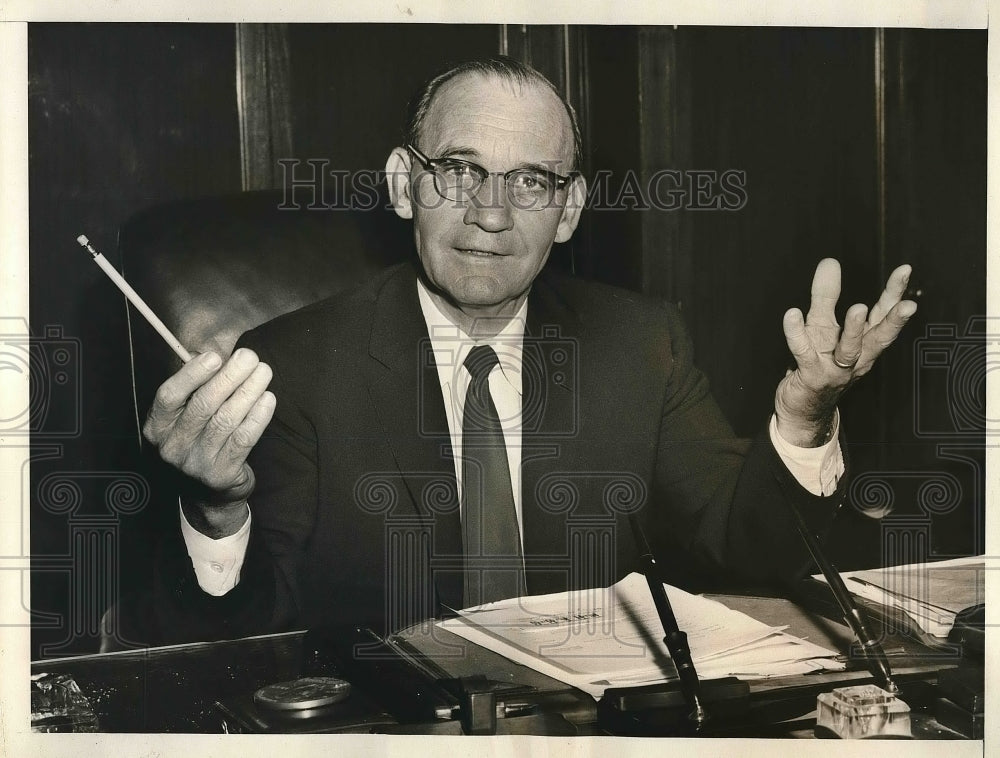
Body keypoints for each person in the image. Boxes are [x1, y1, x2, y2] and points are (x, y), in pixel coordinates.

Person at [137, 57, 916, 644]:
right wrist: (216, 511)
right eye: (460, 170)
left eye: (532, 182)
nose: (492, 213)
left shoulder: (642, 344)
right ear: (405, 184)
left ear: (569, 210)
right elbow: (243, 637)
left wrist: (805, 419)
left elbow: (749, 552)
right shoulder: (293, 366)